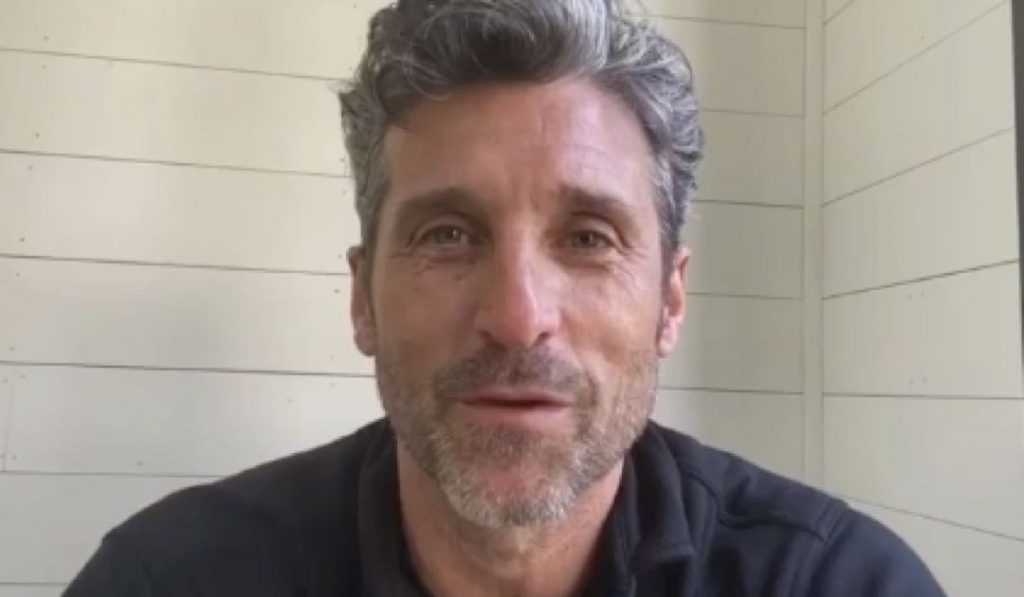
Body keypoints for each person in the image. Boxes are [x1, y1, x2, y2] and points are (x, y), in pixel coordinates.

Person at [66, 1, 943, 595]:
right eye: (448, 234)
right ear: (363, 298)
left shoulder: (839, 581)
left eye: (588, 238)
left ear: (670, 302)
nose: (519, 316)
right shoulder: (168, 578)